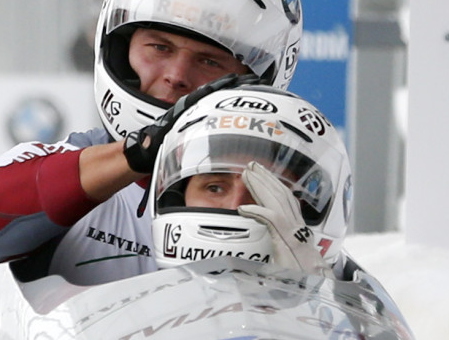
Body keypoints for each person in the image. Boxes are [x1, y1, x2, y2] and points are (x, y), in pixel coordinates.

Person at [0, 0, 303, 286]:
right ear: (118, 46)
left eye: (209, 62)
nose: (176, 76)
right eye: (159, 48)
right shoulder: (60, 162)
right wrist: (137, 155)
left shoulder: (285, 199)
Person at [149, 84, 362, 281]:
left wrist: (311, 288)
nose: (236, 206)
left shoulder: (358, 308)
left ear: (306, 208)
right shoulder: (130, 276)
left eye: (261, 191)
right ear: (175, 195)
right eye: (214, 188)